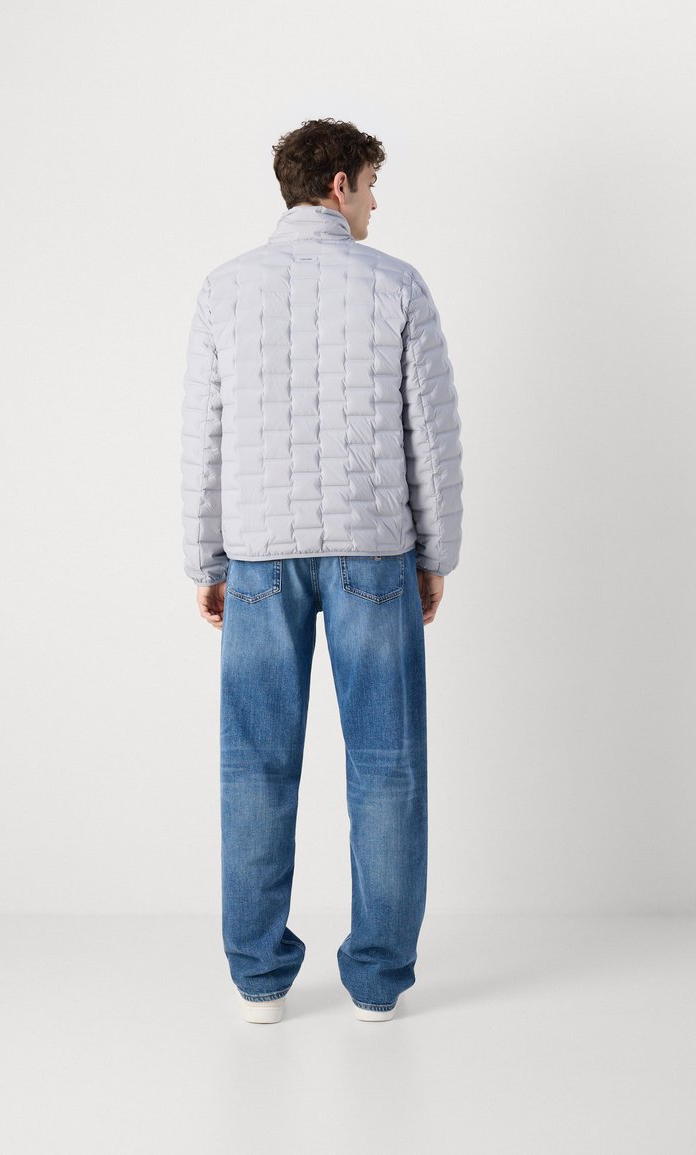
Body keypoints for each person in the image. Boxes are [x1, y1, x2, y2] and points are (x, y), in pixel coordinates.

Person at [180, 118, 463, 1024]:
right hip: (374, 551)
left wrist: (205, 556)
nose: (375, 203)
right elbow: (433, 437)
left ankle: (258, 980)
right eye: (372, 185)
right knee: (387, 768)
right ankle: (377, 983)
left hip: (259, 556)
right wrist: (436, 553)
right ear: (340, 184)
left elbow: (204, 437)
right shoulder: (397, 285)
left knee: (254, 768)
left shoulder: (225, 289)